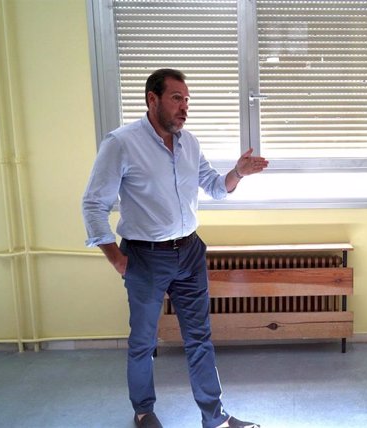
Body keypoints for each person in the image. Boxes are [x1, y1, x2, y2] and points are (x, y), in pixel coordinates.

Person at [82, 68, 268, 428]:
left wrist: (239, 172)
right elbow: (93, 205)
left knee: (199, 338)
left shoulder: (189, 143)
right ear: (152, 99)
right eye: (177, 98)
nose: (185, 107)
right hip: (144, 256)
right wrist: (118, 260)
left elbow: (215, 186)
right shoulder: (120, 143)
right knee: (143, 341)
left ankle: (215, 418)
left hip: (190, 252)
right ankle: (143, 410)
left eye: (187, 100)